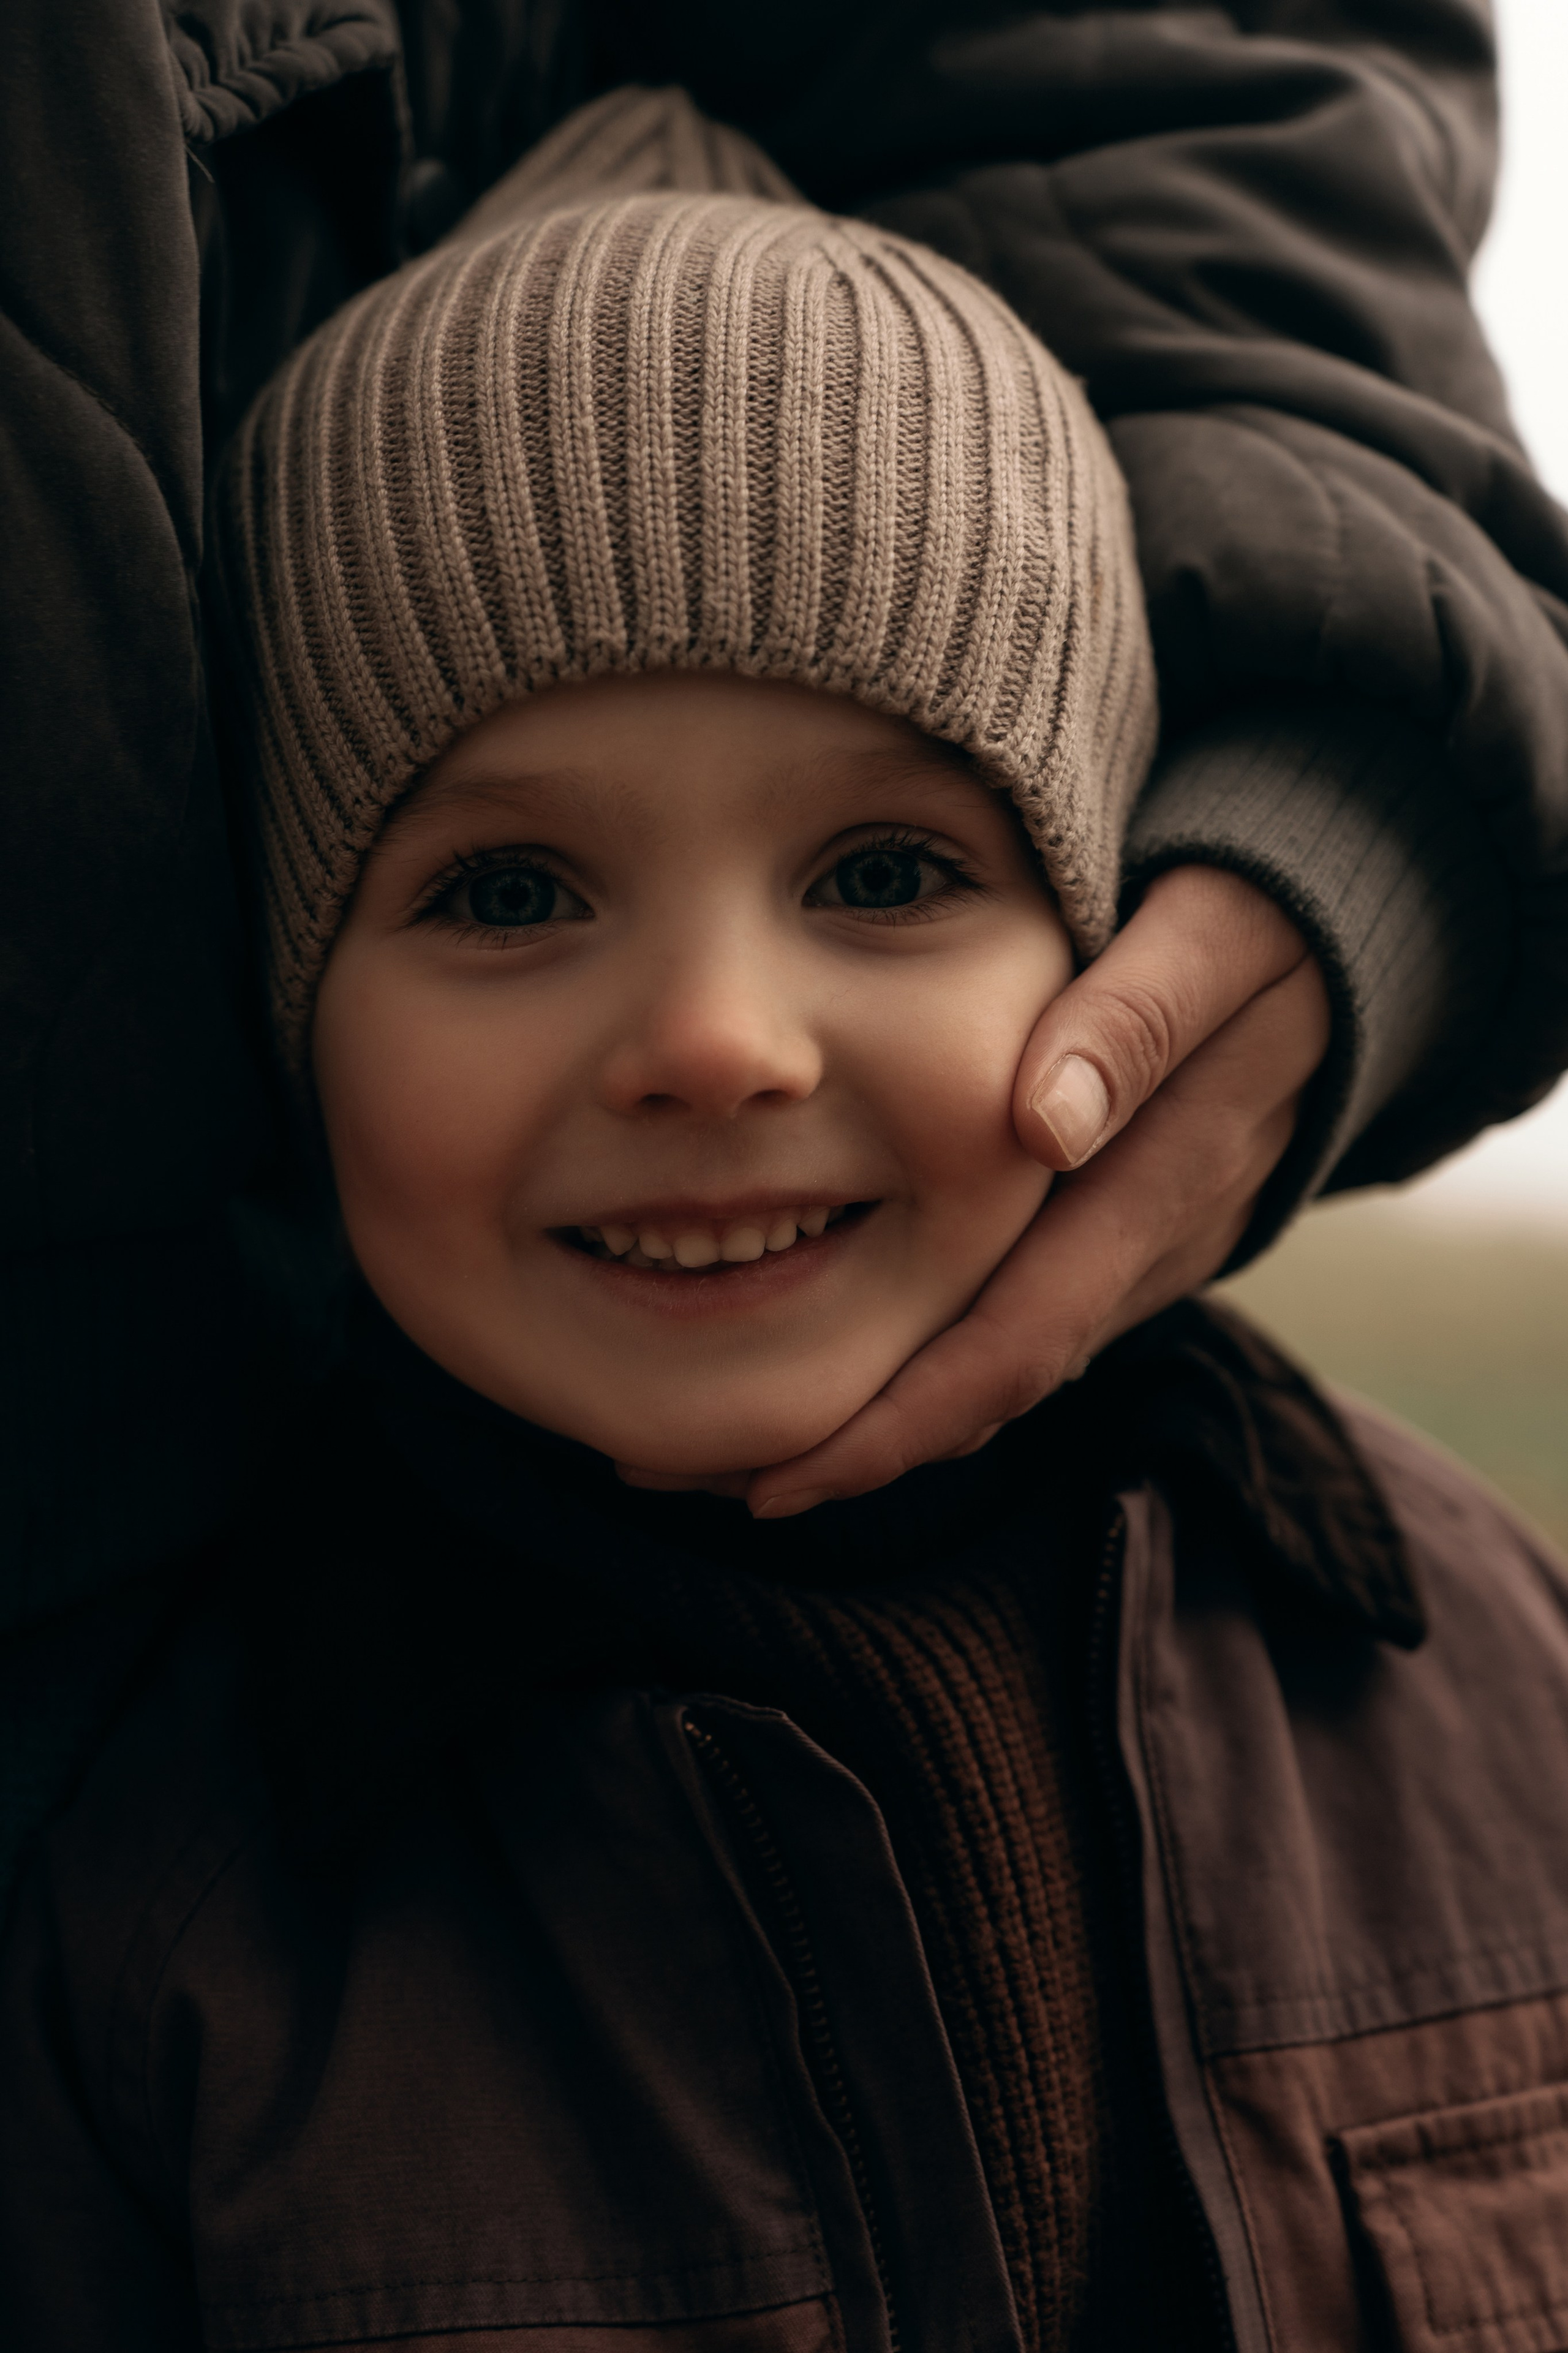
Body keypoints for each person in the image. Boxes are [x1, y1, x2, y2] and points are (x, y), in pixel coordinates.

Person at [6, 134, 1568, 2353]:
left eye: (884, 874)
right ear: (287, 1023)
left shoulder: (1462, 1652)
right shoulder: (176, 1902)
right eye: (509, 895)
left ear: (1118, 943)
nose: (716, 1043)